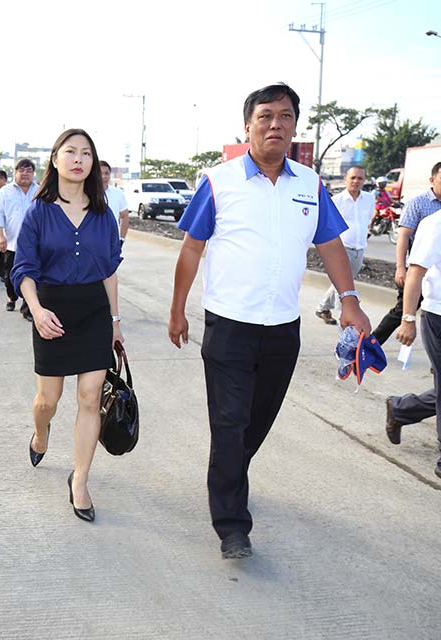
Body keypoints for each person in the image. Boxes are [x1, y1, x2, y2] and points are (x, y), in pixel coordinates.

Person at [168, 83, 371, 559]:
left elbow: (331, 246)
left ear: (295, 127)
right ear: (248, 126)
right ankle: (232, 525)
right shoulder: (219, 182)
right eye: (265, 116)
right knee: (230, 422)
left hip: (283, 328)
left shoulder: (310, 184)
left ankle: (229, 476)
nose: (275, 124)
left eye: (284, 116)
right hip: (229, 326)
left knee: (256, 422)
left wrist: (350, 299)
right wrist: (178, 309)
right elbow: (192, 248)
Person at [11, 129, 122, 523]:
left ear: (93, 163)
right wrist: (37, 310)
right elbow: (24, 267)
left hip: (93, 309)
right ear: (55, 159)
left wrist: (115, 321)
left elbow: (109, 271)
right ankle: (41, 434)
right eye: (70, 151)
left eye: (86, 153)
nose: (78, 159)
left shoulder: (103, 214)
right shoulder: (39, 211)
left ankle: (80, 480)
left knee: (91, 397)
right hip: (52, 310)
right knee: (49, 401)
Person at [382, 162, 441, 440]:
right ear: (433, 180)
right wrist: (408, 319)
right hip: (434, 308)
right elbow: (413, 264)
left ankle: (401, 409)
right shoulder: (429, 217)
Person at [394, 210, 441, 479]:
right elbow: (416, 272)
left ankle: (402, 409)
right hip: (438, 316)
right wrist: (408, 319)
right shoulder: (435, 224)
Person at [371, 162, 441, 344]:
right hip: (417, 271)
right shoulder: (418, 204)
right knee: (401, 312)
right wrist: (401, 268)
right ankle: (370, 346)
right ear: (432, 180)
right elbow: (403, 237)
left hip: (437, 276)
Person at [315, 166, 374, 325]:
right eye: (352, 178)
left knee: (342, 283)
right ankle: (346, 322)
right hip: (342, 248)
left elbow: (367, 219)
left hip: (359, 248)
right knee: (346, 286)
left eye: (360, 178)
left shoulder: (369, 199)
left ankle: (323, 308)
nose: (356, 181)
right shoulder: (336, 201)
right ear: (345, 179)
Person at [0, 158, 39, 318]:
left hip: (34, 244)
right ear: (15, 173)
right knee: (9, 276)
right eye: (22, 170)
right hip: (11, 243)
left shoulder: (40, 191)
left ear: (33, 173)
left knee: (31, 276)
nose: (25, 174)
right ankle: (12, 297)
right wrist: (0, 236)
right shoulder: (5, 192)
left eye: (29, 171)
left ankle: (27, 308)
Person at [100, 160, 130, 239]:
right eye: (100, 173)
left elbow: (125, 216)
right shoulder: (86, 194)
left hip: (112, 240)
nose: (103, 176)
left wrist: (122, 238)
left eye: (106, 173)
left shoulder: (118, 193)